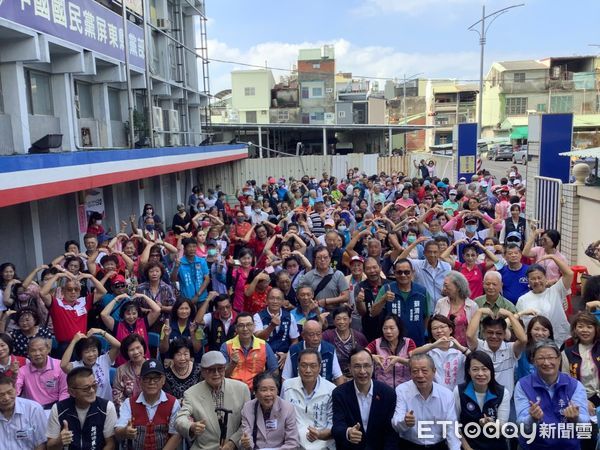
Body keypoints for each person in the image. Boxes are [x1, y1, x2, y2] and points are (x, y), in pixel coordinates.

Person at [514, 339, 590, 450]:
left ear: (559, 359)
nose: (546, 362)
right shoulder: (523, 385)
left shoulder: (574, 385)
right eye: (541, 358)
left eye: (550, 357)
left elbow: (585, 425)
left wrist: (576, 418)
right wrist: (532, 419)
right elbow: (521, 427)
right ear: (533, 361)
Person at [175, 351, 251, 450]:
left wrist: (233, 442)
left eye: (220, 369)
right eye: (210, 370)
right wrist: (191, 426)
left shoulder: (242, 389)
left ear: (225, 368)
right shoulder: (191, 393)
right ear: (202, 372)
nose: (216, 374)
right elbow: (180, 419)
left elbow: (248, 422)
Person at [331, 348, 399, 449]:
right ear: (349, 368)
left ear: (373, 367)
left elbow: (391, 433)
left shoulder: (388, 393)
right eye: (357, 366)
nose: (362, 371)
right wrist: (348, 432)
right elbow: (337, 426)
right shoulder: (340, 393)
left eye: (366, 366)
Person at [392, 354, 461, 450]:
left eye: (424, 371)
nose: (420, 375)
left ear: (434, 371)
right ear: (410, 373)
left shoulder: (447, 395)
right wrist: (405, 422)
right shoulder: (402, 390)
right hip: (409, 445)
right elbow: (396, 424)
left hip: (438, 446)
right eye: (415, 371)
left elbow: (451, 429)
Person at [115, 359, 181, 450]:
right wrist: (125, 431)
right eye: (147, 378)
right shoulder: (129, 403)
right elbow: (118, 429)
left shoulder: (173, 403)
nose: (151, 382)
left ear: (163, 380)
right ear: (140, 381)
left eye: (156, 378)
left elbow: (176, 435)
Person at [46, 366, 117, 450]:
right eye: (86, 388)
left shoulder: (107, 407)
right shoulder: (58, 409)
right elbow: (49, 447)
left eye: (94, 385)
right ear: (72, 392)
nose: (92, 391)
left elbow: (111, 444)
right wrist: (59, 441)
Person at [453, 351, 510, 450]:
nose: (480, 374)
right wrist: (467, 448)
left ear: (491, 371)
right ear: (468, 371)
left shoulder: (502, 392)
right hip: (469, 445)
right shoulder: (459, 391)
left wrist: (492, 426)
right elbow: (455, 425)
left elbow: (502, 430)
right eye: (475, 369)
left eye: (485, 369)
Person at [281, 348, 336, 450]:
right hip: (293, 444)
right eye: (304, 365)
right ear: (298, 367)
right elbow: (281, 417)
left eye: (313, 366)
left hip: (322, 444)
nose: (308, 370)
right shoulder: (288, 386)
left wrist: (319, 434)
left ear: (320, 368)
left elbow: (332, 425)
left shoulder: (331, 389)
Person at [39, 272, 107, 354]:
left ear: (79, 292)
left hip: (82, 344)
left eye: (76, 289)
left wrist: (91, 277)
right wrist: (57, 276)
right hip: (65, 346)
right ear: (63, 291)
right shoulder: (56, 303)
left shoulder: (84, 301)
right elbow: (42, 293)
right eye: (69, 289)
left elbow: (103, 291)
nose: (73, 292)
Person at [370, 258, 429, 347]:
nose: (403, 275)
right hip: (392, 343)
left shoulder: (422, 291)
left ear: (413, 272)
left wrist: (420, 331)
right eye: (399, 272)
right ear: (394, 273)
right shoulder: (387, 289)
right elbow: (373, 313)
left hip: (417, 342)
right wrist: (383, 299)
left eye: (407, 272)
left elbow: (427, 316)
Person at [516, 255, 573, 346]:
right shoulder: (522, 300)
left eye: (539, 277)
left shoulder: (556, 291)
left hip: (557, 341)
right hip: (534, 344)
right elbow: (520, 324)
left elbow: (569, 274)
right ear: (528, 281)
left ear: (545, 278)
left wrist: (553, 257)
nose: (537, 281)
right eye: (533, 279)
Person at [467, 307, 527, 394]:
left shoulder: (511, 349)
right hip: (482, 399)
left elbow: (523, 340)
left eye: (499, 333)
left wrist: (510, 315)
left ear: (504, 334)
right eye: (490, 332)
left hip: (505, 401)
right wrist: (479, 312)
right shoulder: (478, 346)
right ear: (483, 333)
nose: (494, 336)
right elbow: (469, 335)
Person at [239, 372, 300, 449]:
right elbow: (246, 436)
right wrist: (246, 443)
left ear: (277, 391)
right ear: (256, 392)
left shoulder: (287, 408)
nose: (268, 394)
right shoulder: (248, 407)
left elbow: (292, 443)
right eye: (264, 390)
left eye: (272, 389)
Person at [410, 314, 469, 391]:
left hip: (457, 393)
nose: (439, 331)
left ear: (450, 330)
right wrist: (433, 345)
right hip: (436, 393)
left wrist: (461, 348)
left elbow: (476, 358)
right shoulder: (429, 348)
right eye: (434, 328)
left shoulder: (460, 349)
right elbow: (413, 354)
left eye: (442, 327)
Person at [221, 312, 278, 390]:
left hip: (257, 391)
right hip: (233, 390)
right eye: (241, 325)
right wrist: (233, 364)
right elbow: (221, 375)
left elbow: (274, 371)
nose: (245, 329)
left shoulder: (264, 345)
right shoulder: (226, 346)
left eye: (249, 325)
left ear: (254, 326)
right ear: (236, 328)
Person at [60, 329, 121, 401]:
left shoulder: (104, 360)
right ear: (80, 353)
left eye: (94, 350)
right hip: (84, 406)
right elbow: (63, 365)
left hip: (106, 406)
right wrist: (74, 341)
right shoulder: (76, 366)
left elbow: (118, 346)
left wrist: (101, 331)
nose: (91, 354)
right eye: (87, 352)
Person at [283, 319, 345, 385]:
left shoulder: (329, 349)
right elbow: (285, 378)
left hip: (324, 390)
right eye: (311, 335)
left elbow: (338, 377)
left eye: (318, 334)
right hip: (298, 388)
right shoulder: (294, 350)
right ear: (303, 335)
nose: (316, 338)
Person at [299, 246, 350, 325]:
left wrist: (326, 301)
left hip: (334, 315)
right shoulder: (308, 276)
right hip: (315, 314)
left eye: (325, 257)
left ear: (330, 258)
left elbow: (346, 297)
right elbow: (299, 293)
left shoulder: (338, 274)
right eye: (319, 258)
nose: (322, 260)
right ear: (315, 260)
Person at [399, 238, 452, 312]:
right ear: (424, 253)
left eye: (435, 252)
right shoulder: (418, 264)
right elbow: (400, 260)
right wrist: (415, 243)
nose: (432, 255)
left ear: (439, 253)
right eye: (429, 252)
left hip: (441, 308)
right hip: (423, 308)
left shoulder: (446, 266)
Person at [16, 336, 68, 411]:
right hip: (33, 409)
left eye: (41, 349)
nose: (37, 353)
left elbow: (65, 391)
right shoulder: (22, 371)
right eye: (33, 351)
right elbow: (16, 391)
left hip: (55, 407)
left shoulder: (60, 366)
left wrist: (59, 410)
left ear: (48, 349)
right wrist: (14, 376)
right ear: (28, 353)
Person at [254, 288, 300, 369]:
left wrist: (287, 355)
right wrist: (272, 326)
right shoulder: (258, 316)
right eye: (272, 298)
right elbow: (258, 338)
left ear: (282, 301)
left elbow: (295, 340)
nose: (275, 301)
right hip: (264, 357)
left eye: (278, 299)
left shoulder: (289, 316)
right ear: (267, 300)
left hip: (284, 357)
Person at [561, 311, 600, 407]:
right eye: (580, 326)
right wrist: (582, 401)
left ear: (596, 329)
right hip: (581, 401)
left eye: (589, 327)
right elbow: (566, 382)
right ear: (575, 329)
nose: (585, 330)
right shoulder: (567, 353)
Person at [366, 314, 414, 388]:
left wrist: (399, 360)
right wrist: (372, 357)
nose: (388, 331)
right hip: (382, 388)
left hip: (405, 388)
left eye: (392, 328)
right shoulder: (376, 343)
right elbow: (361, 355)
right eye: (385, 328)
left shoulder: (408, 342)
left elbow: (415, 362)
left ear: (399, 328)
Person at [0, 373, 47, 450]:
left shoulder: (33, 409)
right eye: (1, 395)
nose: (7, 398)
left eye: (10, 392)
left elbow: (41, 443)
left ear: (15, 389)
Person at [434, 272, 478, 347]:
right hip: (444, 347)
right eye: (443, 285)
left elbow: (475, 332)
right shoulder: (441, 303)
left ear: (458, 287)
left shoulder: (472, 306)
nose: (444, 289)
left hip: (465, 348)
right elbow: (434, 324)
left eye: (446, 286)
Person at [323, 306, 368, 378]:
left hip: (355, 376)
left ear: (350, 320)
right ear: (334, 321)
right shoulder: (327, 336)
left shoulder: (359, 337)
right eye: (338, 319)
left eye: (345, 319)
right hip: (334, 377)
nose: (342, 322)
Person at [354, 257, 389, 342]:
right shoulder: (360, 287)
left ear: (380, 268)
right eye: (368, 268)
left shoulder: (389, 285)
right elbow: (362, 312)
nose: (372, 271)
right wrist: (359, 301)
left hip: (389, 330)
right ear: (364, 271)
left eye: (374, 267)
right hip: (369, 331)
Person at [112, 333, 147, 409]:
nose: (136, 352)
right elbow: (117, 396)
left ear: (143, 347)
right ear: (127, 353)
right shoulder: (121, 370)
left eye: (138, 347)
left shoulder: (152, 366)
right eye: (131, 350)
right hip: (128, 411)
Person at [171, 237, 210, 304]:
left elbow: (207, 279)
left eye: (194, 246)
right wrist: (176, 267)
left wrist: (197, 295)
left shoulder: (202, 261)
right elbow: (172, 280)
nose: (192, 249)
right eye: (189, 247)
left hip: (202, 298)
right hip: (186, 300)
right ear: (184, 249)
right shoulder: (179, 262)